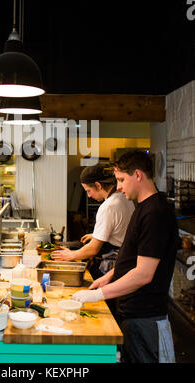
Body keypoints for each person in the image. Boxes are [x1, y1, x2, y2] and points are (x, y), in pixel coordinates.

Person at [73, 150, 179, 363]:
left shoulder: (155, 213)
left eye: (121, 179)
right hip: (133, 313)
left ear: (138, 175)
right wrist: (110, 275)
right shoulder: (142, 207)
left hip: (146, 316)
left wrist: (99, 294)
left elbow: (143, 274)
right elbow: (134, 257)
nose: (118, 186)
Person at [52, 163, 135, 281]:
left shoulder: (108, 206)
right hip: (126, 263)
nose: (89, 196)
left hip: (112, 266)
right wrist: (96, 235)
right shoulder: (124, 198)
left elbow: (93, 249)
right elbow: (121, 228)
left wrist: (71, 255)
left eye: (89, 190)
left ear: (98, 185)